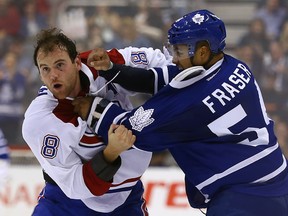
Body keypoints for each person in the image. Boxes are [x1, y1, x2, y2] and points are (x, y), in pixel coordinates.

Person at [72, 10, 288, 215]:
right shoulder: (234, 67)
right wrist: (112, 69)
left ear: (203, 50)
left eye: (180, 51)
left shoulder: (192, 102)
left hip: (243, 199)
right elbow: (155, 79)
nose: (174, 58)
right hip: (278, 179)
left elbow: (129, 131)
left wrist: (92, 107)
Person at [22, 27, 172, 215]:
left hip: (126, 200)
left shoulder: (101, 64)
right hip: (66, 204)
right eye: (45, 69)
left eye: (60, 65)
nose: (53, 75)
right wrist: (111, 152)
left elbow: (155, 61)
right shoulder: (41, 120)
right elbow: (76, 185)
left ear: (77, 62)